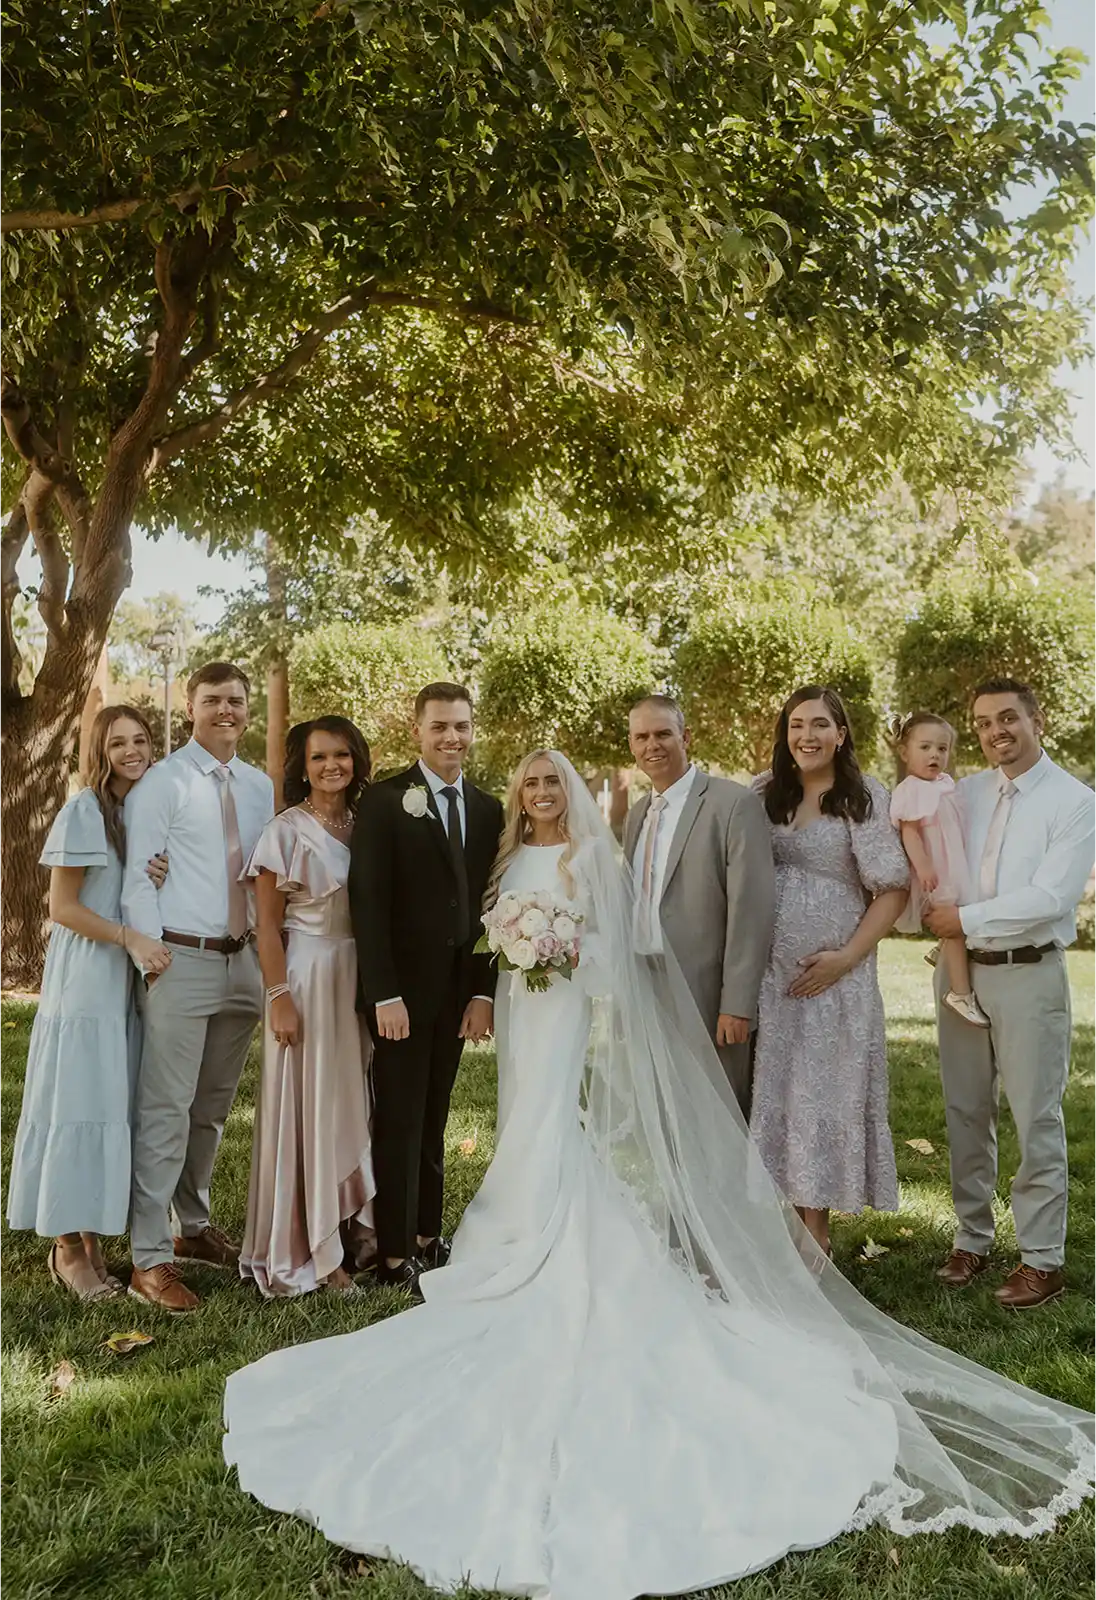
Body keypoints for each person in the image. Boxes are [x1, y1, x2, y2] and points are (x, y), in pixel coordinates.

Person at [224, 749, 1096, 1600]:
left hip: (562, 1002)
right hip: (521, 1008)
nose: (539, 792)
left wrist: (558, 952)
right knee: (523, 1119)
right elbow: (490, 933)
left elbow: (610, 944)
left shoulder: (587, 856)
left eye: (550, 781)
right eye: (529, 782)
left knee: (550, 1119)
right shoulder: (506, 856)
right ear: (519, 794)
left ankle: (548, 1233)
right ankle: (513, 1227)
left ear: (566, 791)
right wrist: (509, 964)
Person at [925, 677, 1096, 1309]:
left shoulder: (1074, 801)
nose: (995, 731)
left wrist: (962, 919)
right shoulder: (965, 793)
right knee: (966, 1109)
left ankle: (1042, 1259)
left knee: (1035, 1115)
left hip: (1029, 973)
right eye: (983, 722)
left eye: (1007, 718)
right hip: (960, 972)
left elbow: (1051, 897)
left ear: (1036, 720)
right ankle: (971, 1238)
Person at [122, 662, 274, 1314]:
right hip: (181, 958)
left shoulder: (261, 786)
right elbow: (138, 873)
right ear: (191, 707)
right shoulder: (163, 781)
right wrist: (150, 953)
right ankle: (148, 1258)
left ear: (247, 707)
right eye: (212, 700)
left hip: (244, 963)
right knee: (166, 1109)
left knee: (211, 1108)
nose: (225, 710)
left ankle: (193, 1225)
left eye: (235, 700)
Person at [6, 706, 171, 1300]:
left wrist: (157, 876)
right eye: (117, 743)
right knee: (78, 1103)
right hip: (87, 978)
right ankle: (68, 1248)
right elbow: (64, 908)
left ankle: (94, 1238)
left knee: (111, 1104)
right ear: (99, 752)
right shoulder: (83, 812)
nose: (132, 751)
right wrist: (129, 938)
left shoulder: (142, 812)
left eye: (140, 740)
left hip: (126, 977)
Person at [348, 682, 504, 1294]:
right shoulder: (386, 801)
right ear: (417, 731)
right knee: (400, 1119)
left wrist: (481, 993)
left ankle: (424, 1237)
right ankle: (392, 1255)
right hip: (401, 997)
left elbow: (493, 907)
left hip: (457, 995)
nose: (451, 737)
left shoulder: (489, 809)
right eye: (439, 726)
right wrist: (382, 993)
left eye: (461, 725)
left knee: (435, 1115)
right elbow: (368, 902)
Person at [751, 685, 909, 1257]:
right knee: (780, 1095)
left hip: (836, 979)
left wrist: (846, 958)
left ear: (841, 735)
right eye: (796, 725)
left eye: (820, 724)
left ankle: (815, 1237)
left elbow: (893, 889)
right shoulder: (763, 792)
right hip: (771, 979)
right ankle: (782, 1230)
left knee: (819, 1096)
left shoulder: (863, 796)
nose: (807, 736)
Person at [241, 716, 376, 1298]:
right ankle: (318, 1255)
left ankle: (354, 1228)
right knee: (311, 1106)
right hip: (307, 974)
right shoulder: (285, 831)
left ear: (356, 761)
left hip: (360, 975)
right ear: (302, 765)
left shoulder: (368, 825)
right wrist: (279, 999)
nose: (330, 766)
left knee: (352, 1101)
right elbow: (267, 928)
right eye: (319, 757)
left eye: (341, 755)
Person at [624, 694, 775, 1117]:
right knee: (663, 1114)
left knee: (718, 1117)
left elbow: (751, 911)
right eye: (641, 737)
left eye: (662, 734)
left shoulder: (732, 804)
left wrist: (737, 1004)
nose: (652, 745)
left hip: (708, 994)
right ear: (632, 745)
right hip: (645, 986)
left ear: (686, 737)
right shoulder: (637, 815)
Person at [890, 711, 987, 1027]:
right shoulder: (911, 789)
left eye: (942, 749)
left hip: (953, 863)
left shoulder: (945, 784)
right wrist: (924, 867)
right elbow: (909, 833)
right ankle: (961, 993)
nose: (935, 755)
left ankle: (941, 950)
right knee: (956, 926)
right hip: (936, 870)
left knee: (962, 916)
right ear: (905, 753)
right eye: (925, 747)